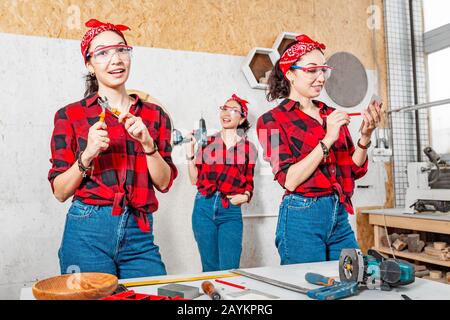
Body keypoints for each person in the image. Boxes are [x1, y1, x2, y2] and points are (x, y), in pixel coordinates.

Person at [48, 19, 177, 278]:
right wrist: (87, 155)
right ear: (89, 65)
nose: (115, 59)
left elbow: (163, 183)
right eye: (103, 53)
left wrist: (148, 145)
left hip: (139, 233)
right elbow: (60, 192)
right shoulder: (70, 115)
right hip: (87, 231)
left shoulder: (155, 116)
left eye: (121, 50)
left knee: (154, 294)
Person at [257, 34, 382, 264]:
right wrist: (328, 139)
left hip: (338, 215)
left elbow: (353, 169)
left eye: (323, 70)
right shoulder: (269, 122)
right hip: (301, 216)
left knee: (352, 280)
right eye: (311, 70)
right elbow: (290, 179)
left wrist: (365, 136)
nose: (321, 77)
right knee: (305, 289)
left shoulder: (329, 113)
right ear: (290, 74)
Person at [185, 94, 257, 271]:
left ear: (241, 119)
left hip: (230, 210)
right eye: (224, 108)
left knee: (230, 269)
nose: (227, 112)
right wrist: (190, 152)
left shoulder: (249, 148)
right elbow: (194, 179)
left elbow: (249, 182)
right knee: (209, 267)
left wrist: (245, 197)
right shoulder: (207, 142)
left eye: (233, 110)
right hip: (203, 207)